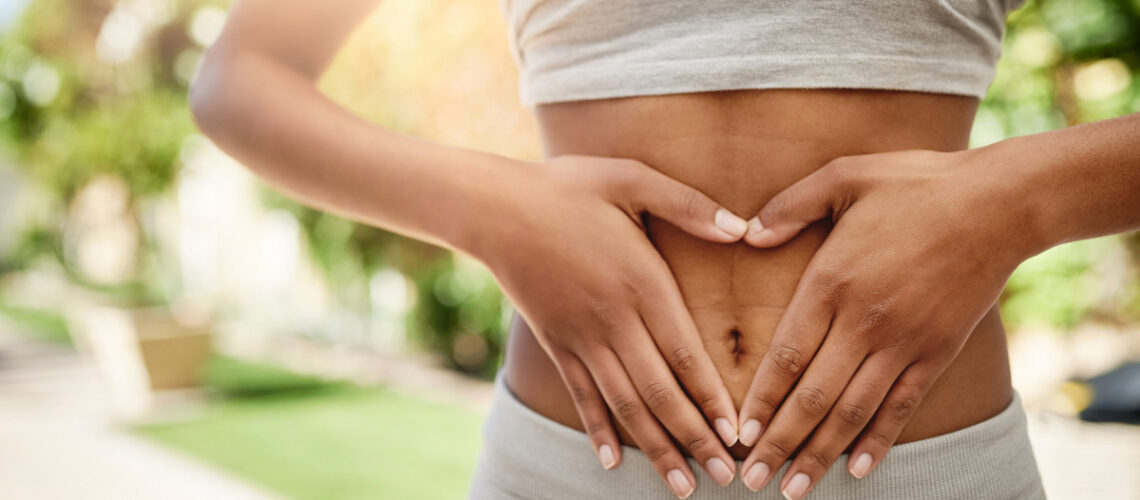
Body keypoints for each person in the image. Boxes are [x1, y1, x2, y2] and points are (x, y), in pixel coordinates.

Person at [190, 0, 1140, 498]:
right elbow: (242, 78)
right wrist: (495, 209)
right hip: (568, 474)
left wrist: (1025, 198)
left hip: (927, 478)